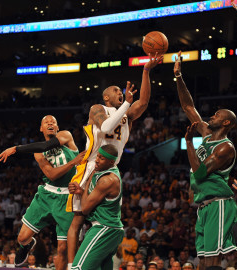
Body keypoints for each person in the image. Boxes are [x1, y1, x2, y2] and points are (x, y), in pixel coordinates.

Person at [66, 53, 163, 269]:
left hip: (111, 169)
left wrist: (146, 71)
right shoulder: (98, 109)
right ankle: (72, 263)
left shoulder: (126, 113)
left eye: (122, 90)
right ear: (107, 98)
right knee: (79, 220)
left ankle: (98, 260)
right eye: (116, 91)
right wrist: (127, 103)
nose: (121, 91)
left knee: (103, 218)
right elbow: (107, 127)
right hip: (92, 165)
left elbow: (144, 101)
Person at [174, 51, 237, 270]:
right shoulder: (207, 134)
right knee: (202, 260)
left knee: (212, 261)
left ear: (226, 123)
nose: (212, 116)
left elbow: (200, 173)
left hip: (219, 203)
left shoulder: (224, 148)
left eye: (217, 115)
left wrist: (190, 143)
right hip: (204, 204)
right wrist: (179, 77)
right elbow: (188, 107)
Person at [0, 115, 86, 270]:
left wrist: (16, 148)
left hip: (68, 196)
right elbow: (51, 174)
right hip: (47, 195)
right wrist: (73, 162)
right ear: (41, 128)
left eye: (53, 122)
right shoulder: (38, 153)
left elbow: (48, 145)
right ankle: (28, 244)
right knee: (22, 238)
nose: (50, 123)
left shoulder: (66, 136)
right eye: (46, 122)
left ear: (57, 128)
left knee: (63, 249)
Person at [69, 144, 124, 270]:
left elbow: (85, 208)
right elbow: (95, 199)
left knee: (78, 268)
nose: (97, 160)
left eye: (102, 158)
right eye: (97, 156)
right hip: (112, 229)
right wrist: (81, 191)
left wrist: (88, 180)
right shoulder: (108, 173)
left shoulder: (107, 180)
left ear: (111, 161)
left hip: (104, 228)